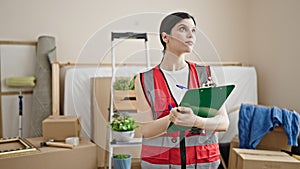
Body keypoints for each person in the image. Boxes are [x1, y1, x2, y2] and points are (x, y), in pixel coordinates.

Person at [134, 12, 229, 169]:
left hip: (204, 163)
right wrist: (173, 118)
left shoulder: (206, 74)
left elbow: (223, 122)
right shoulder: (144, 80)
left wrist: (195, 121)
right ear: (165, 37)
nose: (190, 35)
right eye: (183, 29)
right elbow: (146, 129)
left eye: (193, 30)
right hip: (161, 164)